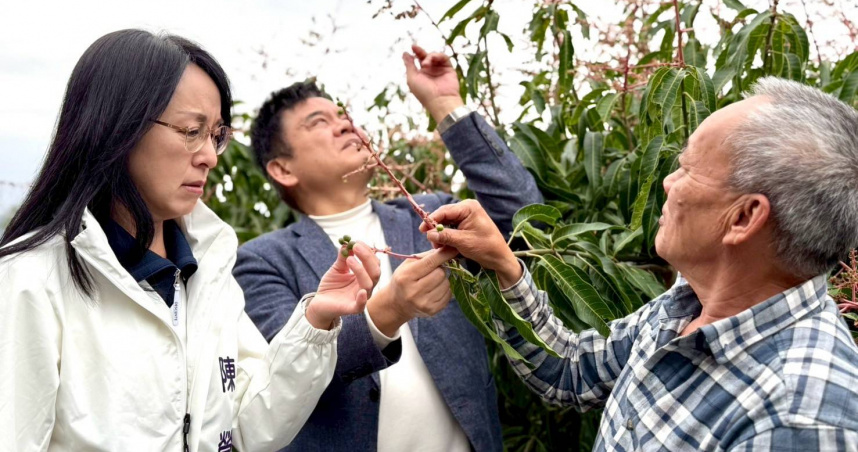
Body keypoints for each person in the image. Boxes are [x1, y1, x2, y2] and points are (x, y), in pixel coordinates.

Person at [419, 77, 858, 451]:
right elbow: (572, 371)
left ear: (743, 218)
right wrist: (504, 265)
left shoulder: (799, 418)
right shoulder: (688, 303)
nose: (667, 181)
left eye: (686, 168)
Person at [0, 29, 381, 451]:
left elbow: (247, 428)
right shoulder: (30, 279)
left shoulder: (210, 270)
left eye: (216, 134)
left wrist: (316, 323)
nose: (211, 156)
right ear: (117, 127)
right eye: (190, 131)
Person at [233, 45, 542, 451]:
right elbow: (282, 383)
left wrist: (446, 104)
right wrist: (389, 311)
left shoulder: (430, 212)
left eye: (344, 116)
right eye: (318, 122)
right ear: (283, 169)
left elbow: (525, 218)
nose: (345, 126)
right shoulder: (261, 261)